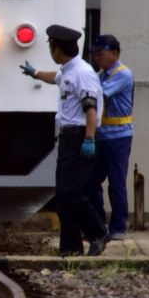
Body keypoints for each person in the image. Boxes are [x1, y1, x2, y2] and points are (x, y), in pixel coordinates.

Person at [19, 25, 108, 256]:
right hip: (69, 136)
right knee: (63, 195)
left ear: (57, 49)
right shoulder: (68, 70)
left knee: (71, 192)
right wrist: (35, 73)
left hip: (81, 136)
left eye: (50, 46)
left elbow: (91, 109)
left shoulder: (82, 73)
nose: (50, 49)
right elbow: (56, 78)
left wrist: (89, 139)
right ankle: (71, 247)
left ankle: (98, 233)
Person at [85, 34, 134, 240]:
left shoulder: (123, 75)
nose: (97, 57)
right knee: (92, 181)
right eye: (95, 54)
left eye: (101, 53)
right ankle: (98, 225)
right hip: (102, 135)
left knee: (116, 182)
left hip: (119, 137)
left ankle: (118, 228)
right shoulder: (101, 74)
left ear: (114, 54)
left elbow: (97, 96)